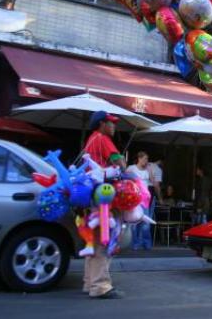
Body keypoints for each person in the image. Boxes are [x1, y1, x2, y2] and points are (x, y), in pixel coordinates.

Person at [82, 111, 126, 299]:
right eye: (111, 123)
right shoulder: (103, 139)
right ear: (102, 124)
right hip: (103, 197)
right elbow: (120, 163)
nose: (114, 126)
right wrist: (121, 163)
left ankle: (89, 282)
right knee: (104, 239)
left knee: (93, 240)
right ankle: (100, 286)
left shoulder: (91, 139)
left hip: (90, 196)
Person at [127, 152, 154, 251]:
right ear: (139, 158)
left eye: (147, 159)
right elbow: (124, 178)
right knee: (134, 223)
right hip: (134, 199)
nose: (146, 161)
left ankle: (147, 244)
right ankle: (135, 244)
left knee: (146, 222)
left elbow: (153, 182)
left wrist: (150, 170)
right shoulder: (131, 168)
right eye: (145, 159)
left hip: (145, 200)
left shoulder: (147, 170)